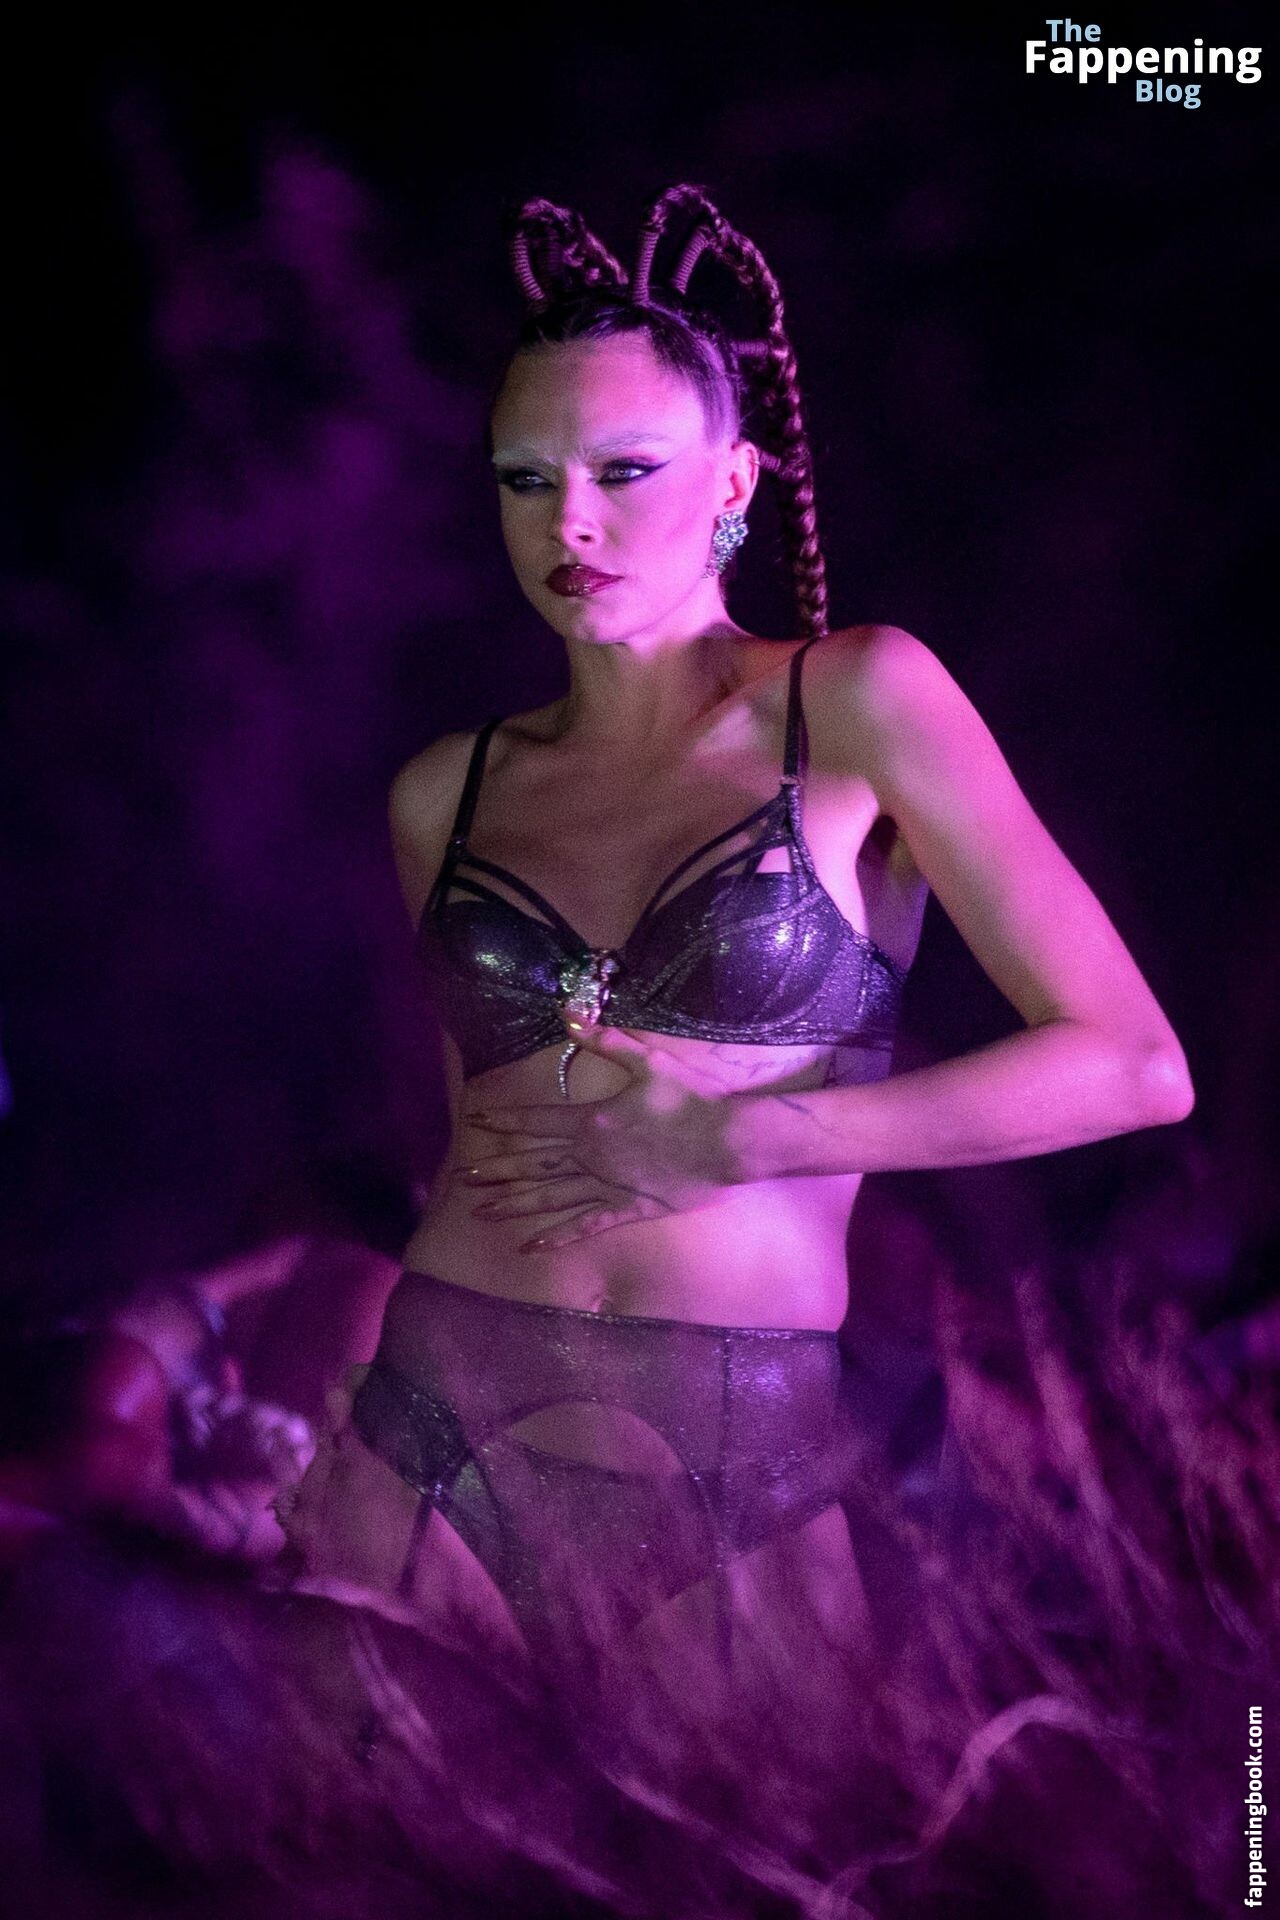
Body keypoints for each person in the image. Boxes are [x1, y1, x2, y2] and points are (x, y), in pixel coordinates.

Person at [280, 182, 1194, 1743]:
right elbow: (485, 1142)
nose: (569, 523)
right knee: (328, 1860)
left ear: (734, 481)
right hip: (430, 1436)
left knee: (760, 1856)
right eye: (525, 480)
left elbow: (1133, 1065)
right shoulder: (446, 793)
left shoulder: (855, 702)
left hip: (728, 1452)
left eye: (623, 471)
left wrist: (744, 1137)